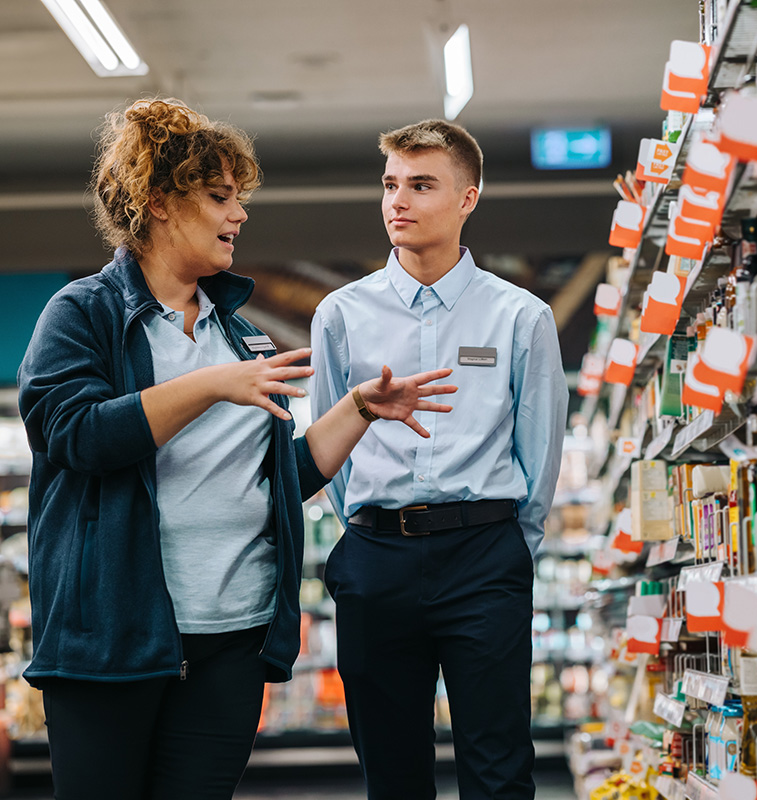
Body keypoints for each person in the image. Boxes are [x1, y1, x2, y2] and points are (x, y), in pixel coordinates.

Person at [16, 98, 457, 800]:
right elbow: (72, 435)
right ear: (158, 203)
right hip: (114, 640)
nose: (240, 215)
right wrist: (210, 385)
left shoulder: (239, 335)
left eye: (239, 198)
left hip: (232, 641)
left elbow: (276, 479)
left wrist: (359, 411)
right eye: (220, 197)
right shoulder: (84, 314)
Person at [310, 119, 569, 800]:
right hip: (376, 560)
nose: (399, 200)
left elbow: (539, 454)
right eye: (391, 184)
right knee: (392, 775)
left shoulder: (520, 317)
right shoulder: (341, 315)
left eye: (422, 185)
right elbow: (327, 448)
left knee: (499, 769)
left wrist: (511, 548)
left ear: (467, 199)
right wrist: (369, 532)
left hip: (484, 556)